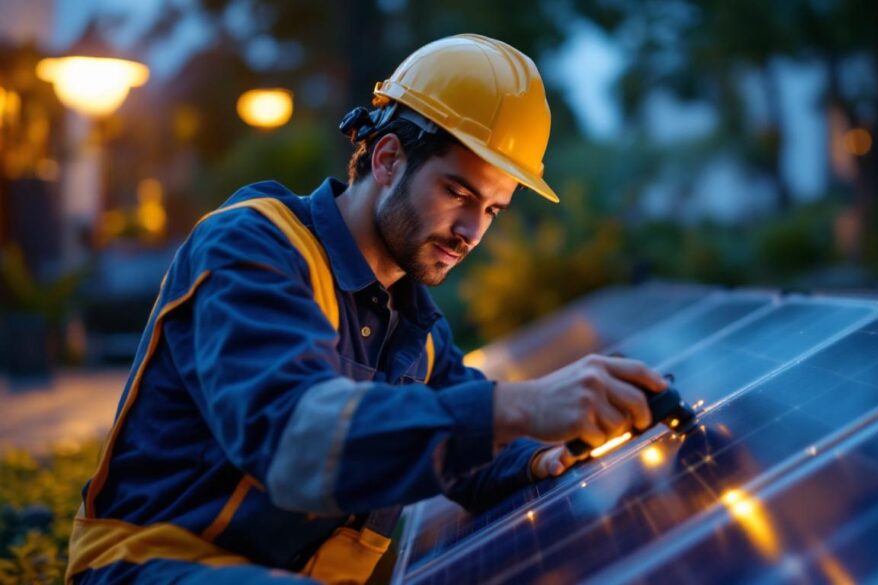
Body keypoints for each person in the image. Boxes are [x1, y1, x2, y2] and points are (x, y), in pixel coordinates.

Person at [67, 34, 666, 584]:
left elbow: (471, 452)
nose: (471, 232)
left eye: (491, 210)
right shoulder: (250, 247)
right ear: (386, 160)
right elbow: (293, 437)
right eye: (458, 192)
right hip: (148, 566)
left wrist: (551, 456)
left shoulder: (417, 331)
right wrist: (527, 403)